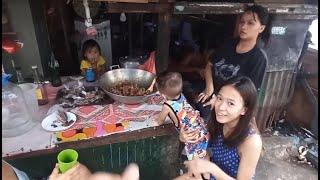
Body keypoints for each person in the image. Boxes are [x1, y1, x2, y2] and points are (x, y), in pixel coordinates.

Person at [175, 76, 262, 180]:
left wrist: (212, 168)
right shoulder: (219, 123)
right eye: (220, 98)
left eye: (231, 103)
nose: (221, 107)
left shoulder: (252, 141)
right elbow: (202, 143)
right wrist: (185, 137)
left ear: (244, 110)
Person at [198, 4, 271, 111]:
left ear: (261, 28)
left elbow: (248, 93)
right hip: (210, 91)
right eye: (242, 22)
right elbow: (210, 64)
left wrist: (220, 100)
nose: (243, 26)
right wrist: (209, 88)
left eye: (250, 23)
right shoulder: (228, 44)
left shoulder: (258, 59)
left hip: (230, 104)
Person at [154, 71, 210, 164]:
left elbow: (159, 121)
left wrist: (156, 119)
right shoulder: (181, 96)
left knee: (195, 164)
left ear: (163, 95)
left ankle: (197, 176)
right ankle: (206, 174)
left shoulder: (167, 105)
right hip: (202, 130)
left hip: (191, 138)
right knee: (203, 156)